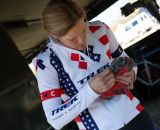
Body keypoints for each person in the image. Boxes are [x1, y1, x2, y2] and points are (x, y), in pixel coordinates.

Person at [32, 0, 159, 130]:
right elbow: (55, 120)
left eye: (83, 30)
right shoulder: (45, 62)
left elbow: (128, 62)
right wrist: (91, 91)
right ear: (54, 35)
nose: (82, 40)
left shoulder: (100, 29)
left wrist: (131, 74)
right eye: (72, 38)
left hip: (137, 114)